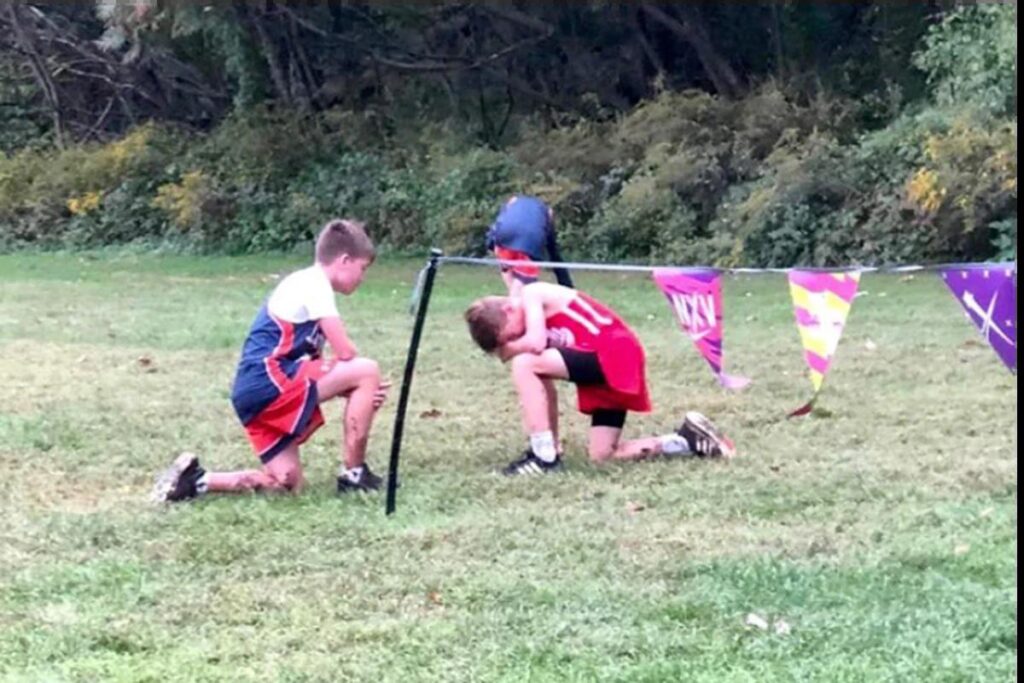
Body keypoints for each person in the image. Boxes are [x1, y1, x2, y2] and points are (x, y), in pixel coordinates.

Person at [153, 219, 389, 502]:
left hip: (251, 392)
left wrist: (352, 391)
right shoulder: (314, 284)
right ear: (344, 260)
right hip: (270, 381)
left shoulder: (304, 283)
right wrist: (363, 386)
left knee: (287, 483)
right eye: (362, 268)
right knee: (367, 370)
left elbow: (312, 367)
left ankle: (197, 481)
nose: (362, 278)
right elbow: (346, 353)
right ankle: (355, 474)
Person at [464, 281, 735, 475]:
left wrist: (508, 350)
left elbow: (535, 342)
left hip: (612, 353)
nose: (516, 339)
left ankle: (542, 455)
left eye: (511, 335)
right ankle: (686, 440)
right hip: (607, 361)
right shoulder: (523, 311)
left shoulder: (531, 293)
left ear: (508, 310)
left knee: (524, 363)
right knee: (603, 456)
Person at [485, 195, 574, 295]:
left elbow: (497, 225)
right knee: (524, 284)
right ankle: (516, 300)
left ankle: (514, 298)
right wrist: (568, 287)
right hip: (529, 240)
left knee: (507, 271)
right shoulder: (547, 212)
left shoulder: (514, 202)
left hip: (504, 237)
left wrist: (491, 243)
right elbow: (554, 254)